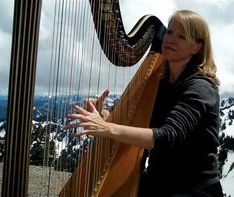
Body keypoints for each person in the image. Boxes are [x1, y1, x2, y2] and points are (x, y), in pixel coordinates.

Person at [64, 10, 223, 197]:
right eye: (170, 32)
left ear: (197, 47)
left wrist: (107, 128)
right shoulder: (160, 80)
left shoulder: (201, 87)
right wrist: (106, 117)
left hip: (193, 189)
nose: (171, 39)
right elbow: (144, 123)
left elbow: (167, 136)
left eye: (181, 36)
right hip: (158, 181)